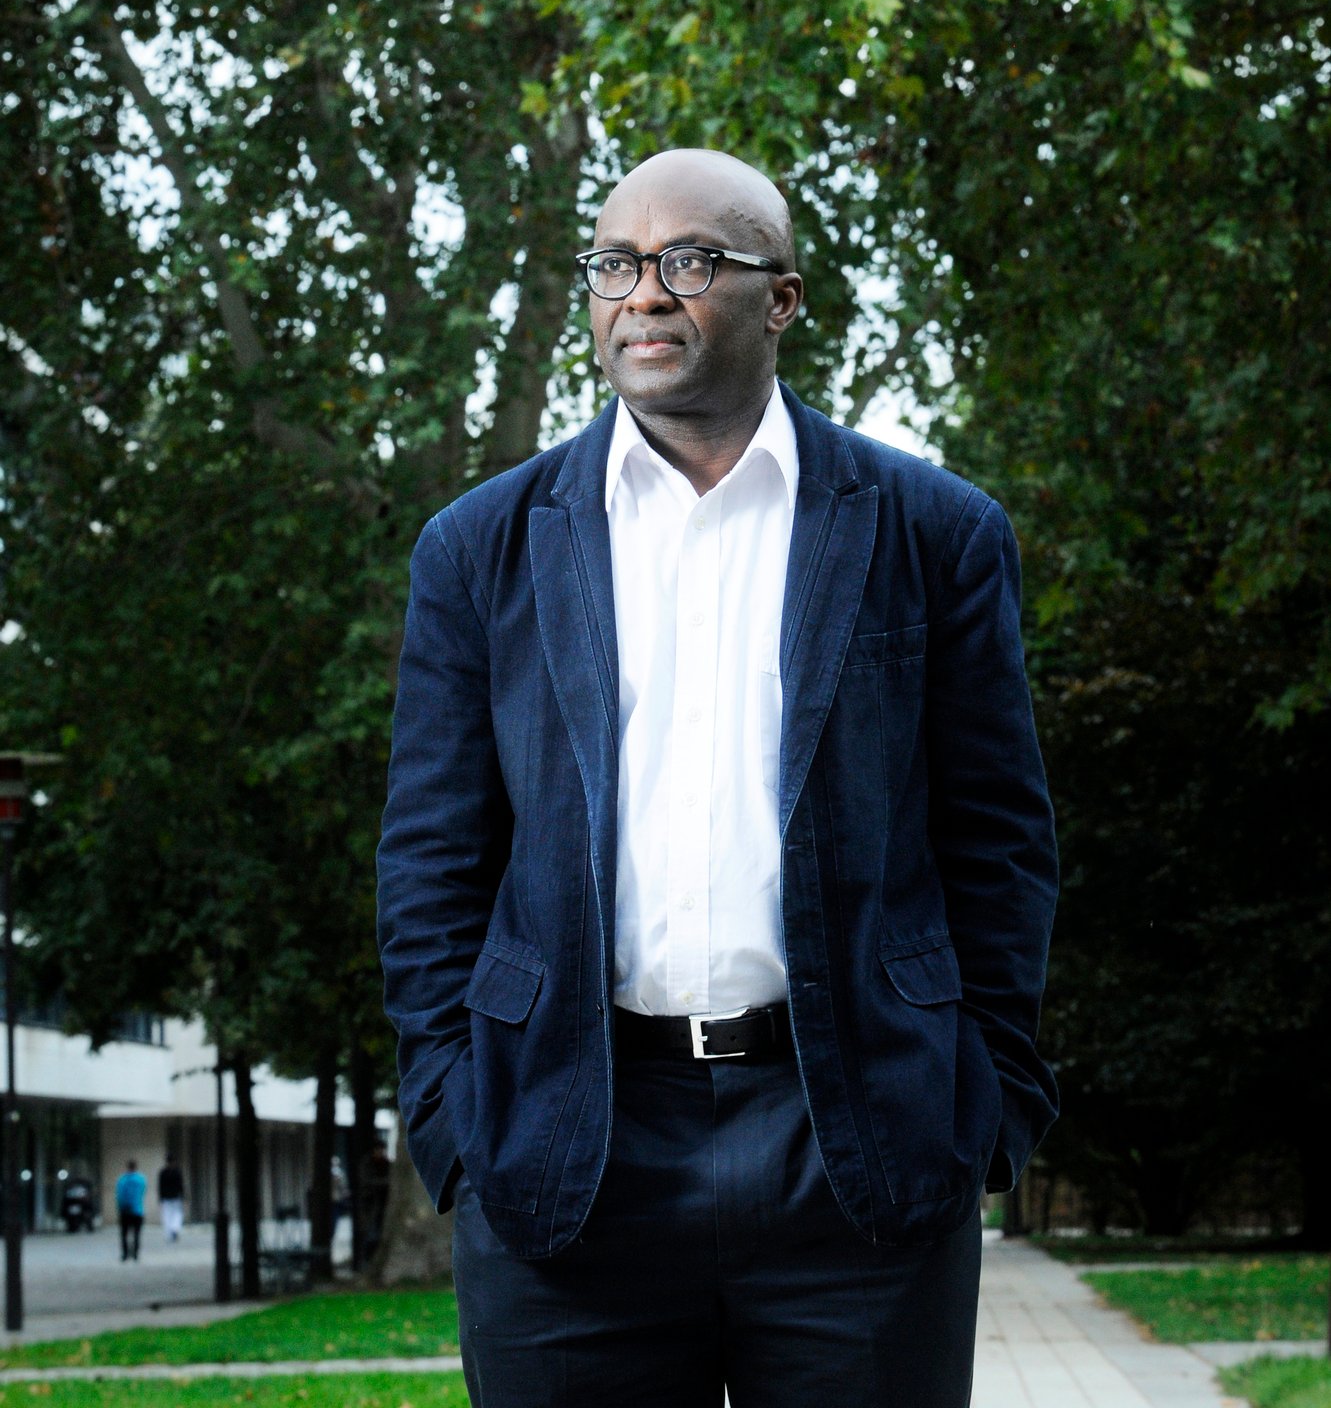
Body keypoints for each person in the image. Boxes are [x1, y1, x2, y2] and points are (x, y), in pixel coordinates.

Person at [377, 148, 1059, 1407]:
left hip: (853, 1133)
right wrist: (451, 1114)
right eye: (614, 265)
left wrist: (985, 1103)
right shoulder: (479, 549)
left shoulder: (933, 532)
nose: (644, 293)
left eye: (688, 261)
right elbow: (430, 858)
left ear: (779, 298)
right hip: (566, 1148)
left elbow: (999, 842)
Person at [114, 1158, 146, 1261]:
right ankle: (135, 1254)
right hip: (137, 1210)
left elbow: (119, 1196)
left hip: (125, 1210)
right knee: (137, 1234)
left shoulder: (122, 1180)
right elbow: (142, 1193)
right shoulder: (141, 1179)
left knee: (124, 1234)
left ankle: (125, 1254)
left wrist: (119, 1207)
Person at [158, 1153, 185, 1242]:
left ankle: (170, 1232)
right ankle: (175, 1229)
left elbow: (160, 1186)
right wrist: (183, 1196)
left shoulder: (163, 1172)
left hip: (166, 1197)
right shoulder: (177, 1172)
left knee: (167, 1215)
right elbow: (181, 1185)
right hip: (175, 1196)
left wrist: (160, 1198)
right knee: (177, 1214)